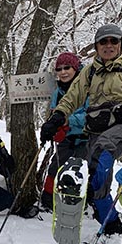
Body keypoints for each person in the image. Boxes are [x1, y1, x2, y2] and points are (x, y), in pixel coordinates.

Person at [39, 23, 122, 235]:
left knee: (101, 154)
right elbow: (72, 97)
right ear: (96, 46)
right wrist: (57, 117)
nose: (109, 45)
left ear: (121, 44)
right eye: (103, 41)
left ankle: (93, 199)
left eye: (114, 41)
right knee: (98, 185)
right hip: (97, 129)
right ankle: (111, 225)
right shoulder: (91, 71)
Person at [40, 52, 88, 211]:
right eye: (59, 69)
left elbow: (91, 114)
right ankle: (48, 199)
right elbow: (55, 112)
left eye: (67, 67)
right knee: (56, 166)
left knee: (80, 169)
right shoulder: (58, 92)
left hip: (85, 137)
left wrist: (69, 121)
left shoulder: (87, 88)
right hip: (66, 137)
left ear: (75, 68)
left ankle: (80, 201)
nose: (63, 72)